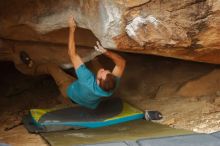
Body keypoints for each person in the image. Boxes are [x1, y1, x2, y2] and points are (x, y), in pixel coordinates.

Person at [19, 16, 126, 109]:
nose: (103, 70)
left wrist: (72, 29)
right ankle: (93, 59)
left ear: (98, 81)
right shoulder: (112, 85)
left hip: (70, 91)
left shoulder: (86, 78)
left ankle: (31, 68)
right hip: (89, 100)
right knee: (95, 63)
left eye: (102, 73)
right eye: (107, 71)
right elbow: (121, 62)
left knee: (51, 67)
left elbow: (72, 54)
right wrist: (106, 52)